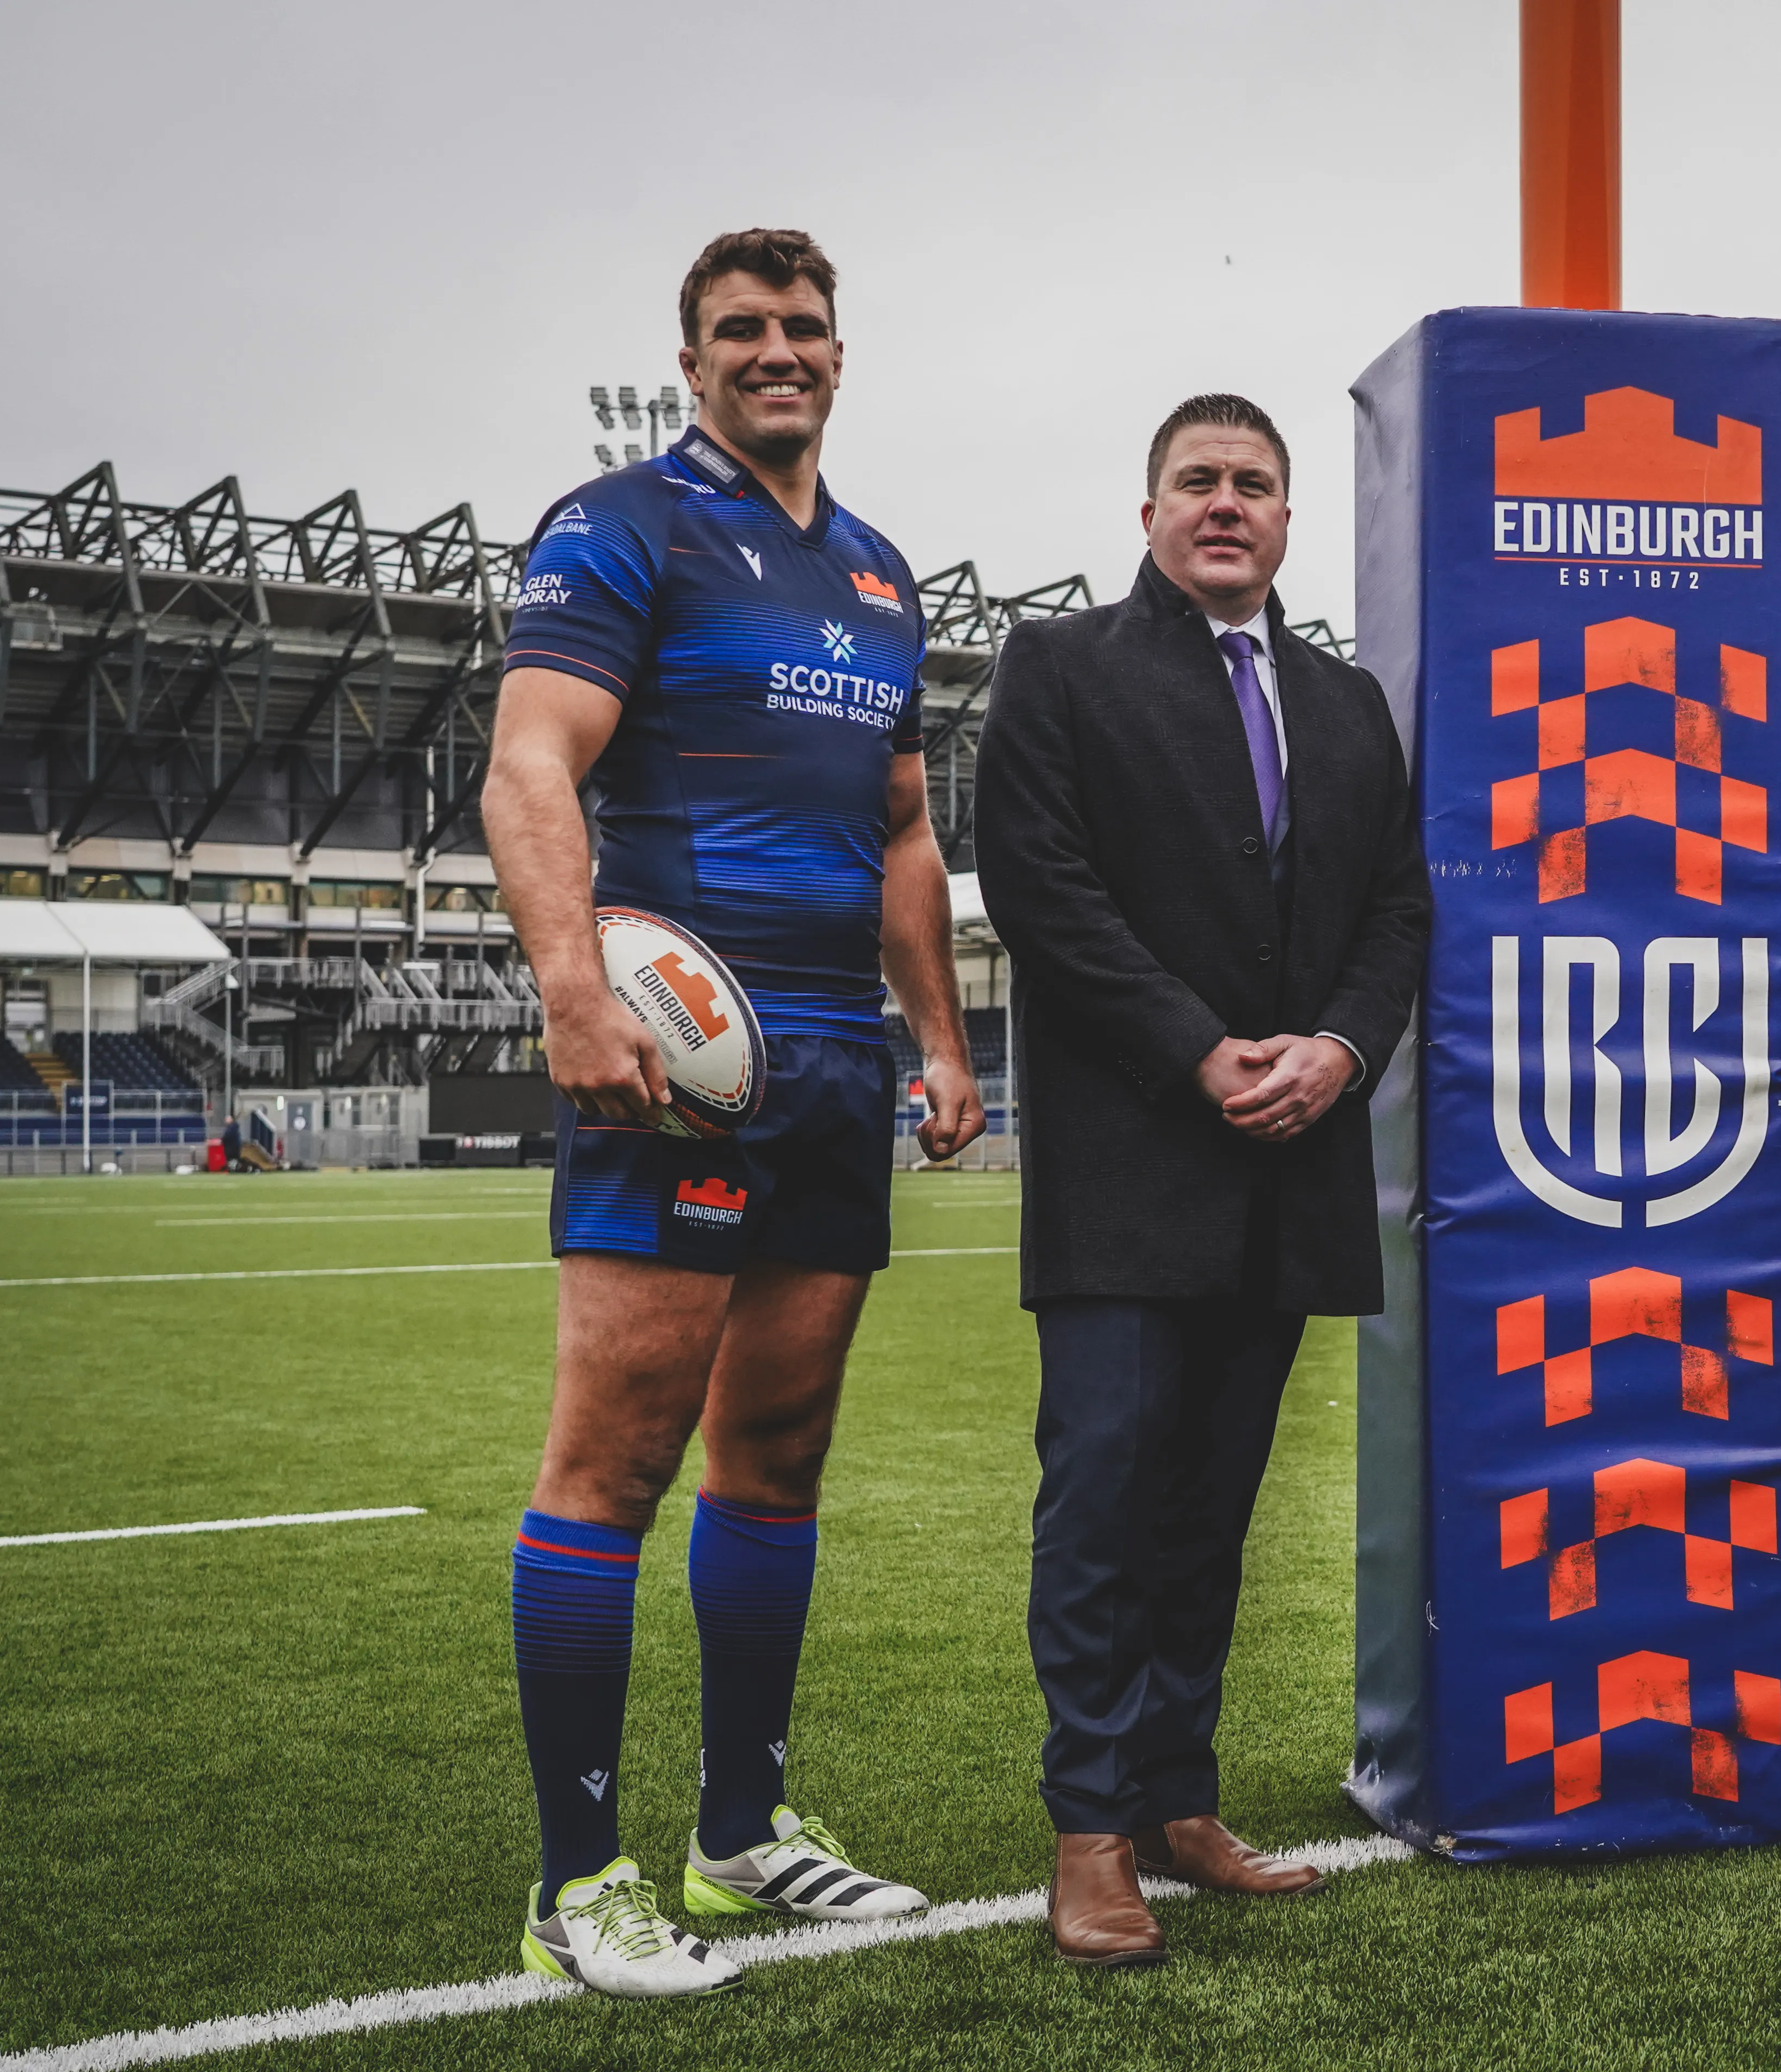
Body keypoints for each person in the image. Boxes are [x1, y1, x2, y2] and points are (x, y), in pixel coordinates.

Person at [484, 228, 984, 1998]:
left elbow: (907, 827)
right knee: (614, 1464)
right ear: (691, 362)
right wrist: (572, 990)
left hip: (842, 1066)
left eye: (803, 328)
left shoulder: (876, 572)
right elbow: (531, 757)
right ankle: (573, 1883)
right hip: (679, 1057)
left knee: (778, 1455)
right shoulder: (623, 523)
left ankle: (741, 1835)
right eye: (739, 331)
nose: (776, 351)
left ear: (841, 356)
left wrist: (940, 1037)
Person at [970, 393, 1429, 1968]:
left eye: (1253, 484)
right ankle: (1088, 1826)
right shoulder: (1062, 667)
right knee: (1102, 1500)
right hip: (1128, 1166)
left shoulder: (1347, 703)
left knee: (1212, 1511)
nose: (1225, 504)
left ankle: (1177, 1796)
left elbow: (1397, 913)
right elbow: (1038, 885)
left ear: (1289, 520)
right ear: (1148, 511)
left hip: (1289, 1169)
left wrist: (1342, 1053)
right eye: (1197, 482)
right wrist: (1202, 1048)